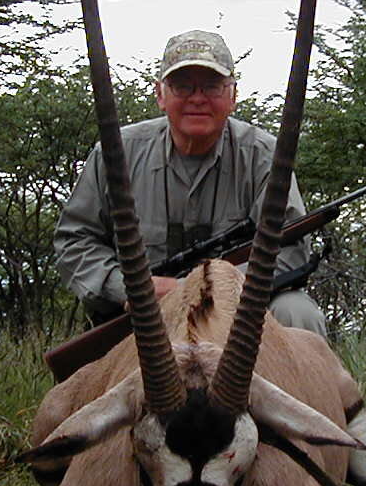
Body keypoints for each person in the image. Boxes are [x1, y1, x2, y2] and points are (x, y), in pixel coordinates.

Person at [55, 29, 328, 338]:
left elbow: (290, 251)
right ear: (160, 94)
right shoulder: (115, 153)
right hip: (142, 312)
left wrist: (203, 290)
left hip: (239, 307)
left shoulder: (264, 156)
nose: (197, 99)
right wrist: (127, 287)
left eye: (212, 86)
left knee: (298, 313)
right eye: (182, 86)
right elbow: (75, 242)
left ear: (233, 95)